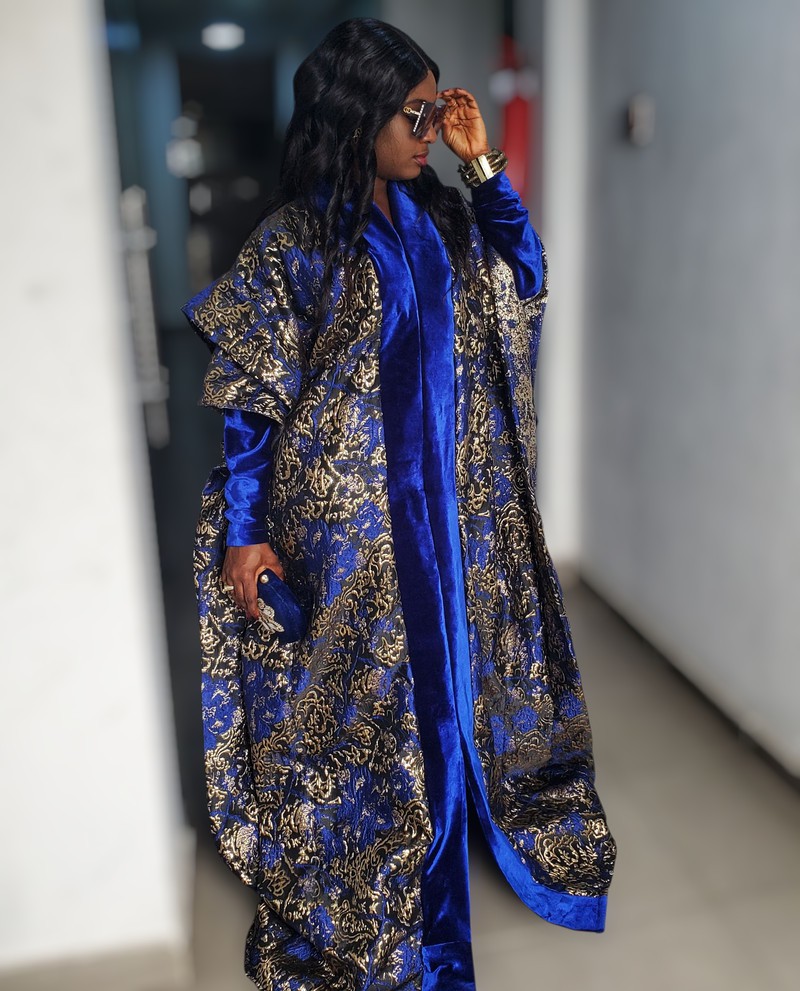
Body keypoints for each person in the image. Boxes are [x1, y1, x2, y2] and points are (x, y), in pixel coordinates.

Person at [183, 17, 615, 991]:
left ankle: (444, 882)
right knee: (364, 720)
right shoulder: (296, 240)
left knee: (451, 700)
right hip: (353, 536)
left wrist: (482, 165)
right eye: (414, 116)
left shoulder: (444, 219)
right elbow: (252, 395)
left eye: (434, 111)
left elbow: (524, 276)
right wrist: (247, 529)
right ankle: (387, 917)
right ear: (357, 116)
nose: (429, 131)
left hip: (451, 520)